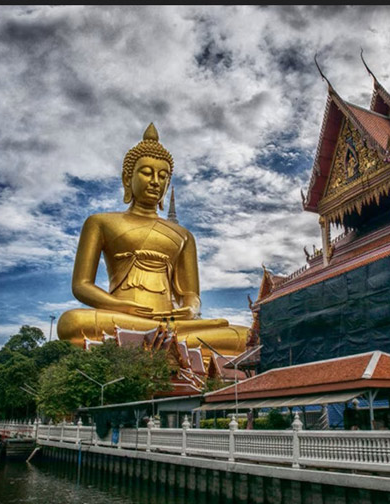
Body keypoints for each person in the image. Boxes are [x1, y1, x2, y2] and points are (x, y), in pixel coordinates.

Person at [57, 124, 248, 360]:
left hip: (170, 322)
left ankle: (161, 341)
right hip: (124, 318)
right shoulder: (100, 222)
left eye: (163, 176)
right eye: (147, 172)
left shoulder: (184, 235)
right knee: (72, 322)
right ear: (128, 178)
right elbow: (81, 285)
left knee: (242, 335)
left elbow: (190, 294)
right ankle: (161, 342)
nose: (155, 181)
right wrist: (121, 307)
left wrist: (190, 309)